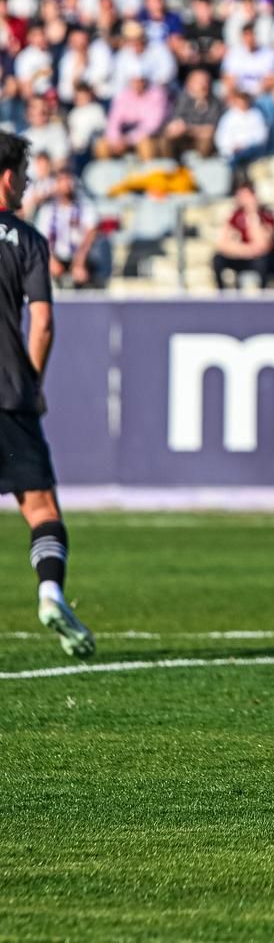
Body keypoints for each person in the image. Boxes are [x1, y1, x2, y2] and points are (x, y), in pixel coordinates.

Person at [0, 134, 93, 658]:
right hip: (8, 391)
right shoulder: (29, 241)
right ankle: (51, 592)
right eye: (25, 175)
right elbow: (43, 323)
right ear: (8, 176)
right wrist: (32, 383)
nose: (28, 184)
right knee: (40, 507)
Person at [34, 171, 109, 290]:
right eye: (61, 181)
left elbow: (91, 233)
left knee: (82, 274)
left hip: (80, 257)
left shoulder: (85, 206)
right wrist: (51, 261)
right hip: (56, 257)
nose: (66, 185)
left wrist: (80, 260)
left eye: (68, 180)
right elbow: (42, 238)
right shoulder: (47, 210)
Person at [213, 183, 274, 289]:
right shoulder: (235, 216)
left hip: (259, 259)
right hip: (242, 256)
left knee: (262, 262)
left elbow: (263, 246)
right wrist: (244, 250)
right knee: (218, 259)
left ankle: (263, 292)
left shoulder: (266, 215)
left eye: (246, 196)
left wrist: (253, 215)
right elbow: (222, 244)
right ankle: (221, 292)